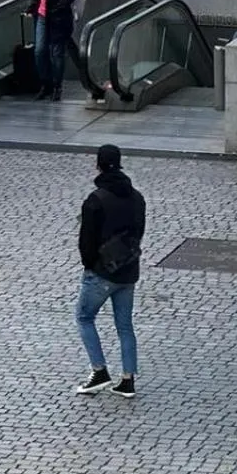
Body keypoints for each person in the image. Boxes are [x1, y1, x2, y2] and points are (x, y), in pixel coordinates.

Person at [75, 144, 147, 398]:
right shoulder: (137, 197)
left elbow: (87, 241)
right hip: (128, 271)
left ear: (98, 165)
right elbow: (139, 232)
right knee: (125, 326)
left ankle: (99, 371)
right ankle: (128, 380)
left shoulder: (96, 200)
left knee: (84, 317)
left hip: (101, 273)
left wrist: (90, 266)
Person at [26, 0, 76, 102]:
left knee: (57, 53)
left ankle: (56, 86)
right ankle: (45, 84)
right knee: (40, 51)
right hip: (41, 17)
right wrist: (31, 8)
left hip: (58, 19)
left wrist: (56, 9)